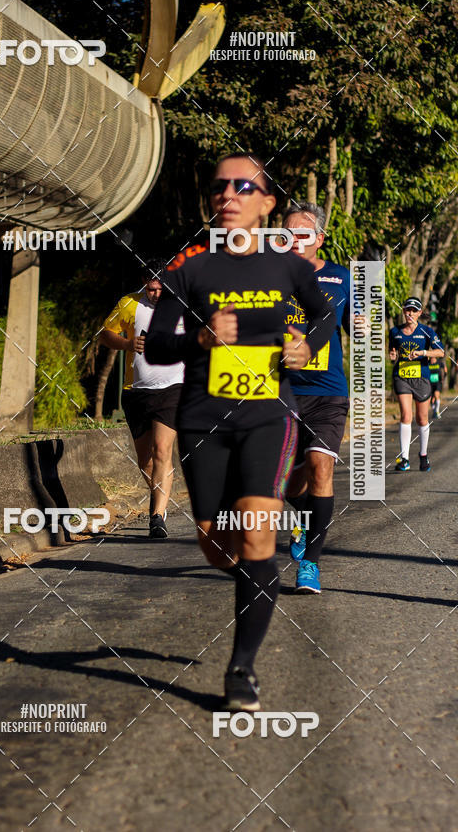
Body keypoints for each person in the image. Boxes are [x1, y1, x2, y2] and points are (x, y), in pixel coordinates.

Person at [145, 152, 336, 709]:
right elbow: (157, 346)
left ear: (267, 203)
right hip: (203, 419)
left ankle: (241, 669)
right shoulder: (190, 268)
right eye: (219, 187)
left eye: (242, 187)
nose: (227, 195)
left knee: (256, 537)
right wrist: (200, 339)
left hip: (267, 417)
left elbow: (325, 314)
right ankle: (252, 572)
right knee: (217, 547)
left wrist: (308, 346)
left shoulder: (289, 268)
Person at [281, 202, 351, 595]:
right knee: (290, 486)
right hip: (281, 392)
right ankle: (305, 522)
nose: (293, 239)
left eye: (302, 233)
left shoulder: (341, 278)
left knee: (320, 467)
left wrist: (362, 325)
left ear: (319, 239)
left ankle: (310, 564)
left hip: (328, 392)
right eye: (287, 233)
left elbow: (355, 326)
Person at [100, 260, 184, 538]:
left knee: (162, 450)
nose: (156, 294)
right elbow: (105, 334)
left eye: (161, 289)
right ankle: (162, 492)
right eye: (151, 289)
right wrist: (126, 343)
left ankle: (157, 517)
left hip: (173, 389)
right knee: (145, 461)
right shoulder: (129, 304)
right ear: (144, 286)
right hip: (135, 391)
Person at [389, 297, 444, 472]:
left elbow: (441, 352)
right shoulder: (394, 331)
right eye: (407, 310)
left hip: (422, 378)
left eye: (414, 311)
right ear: (403, 311)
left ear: (419, 313)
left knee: (422, 418)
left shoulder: (427, 331)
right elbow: (393, 353)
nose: (410, 313)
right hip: (402, 377)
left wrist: (423, 352)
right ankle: (404, 458)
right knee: (406, 415)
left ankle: (423, 455)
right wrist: (392, 357)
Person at [428, 353, 446, 419]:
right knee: (431, 399)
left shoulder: (439, 362)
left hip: (437, 382)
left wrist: (444, 377)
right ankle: (434, 410)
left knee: (436, 395)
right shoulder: (428, 362)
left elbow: (445, 369)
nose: (432, 357)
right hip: (429, 383)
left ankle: (437, 411)